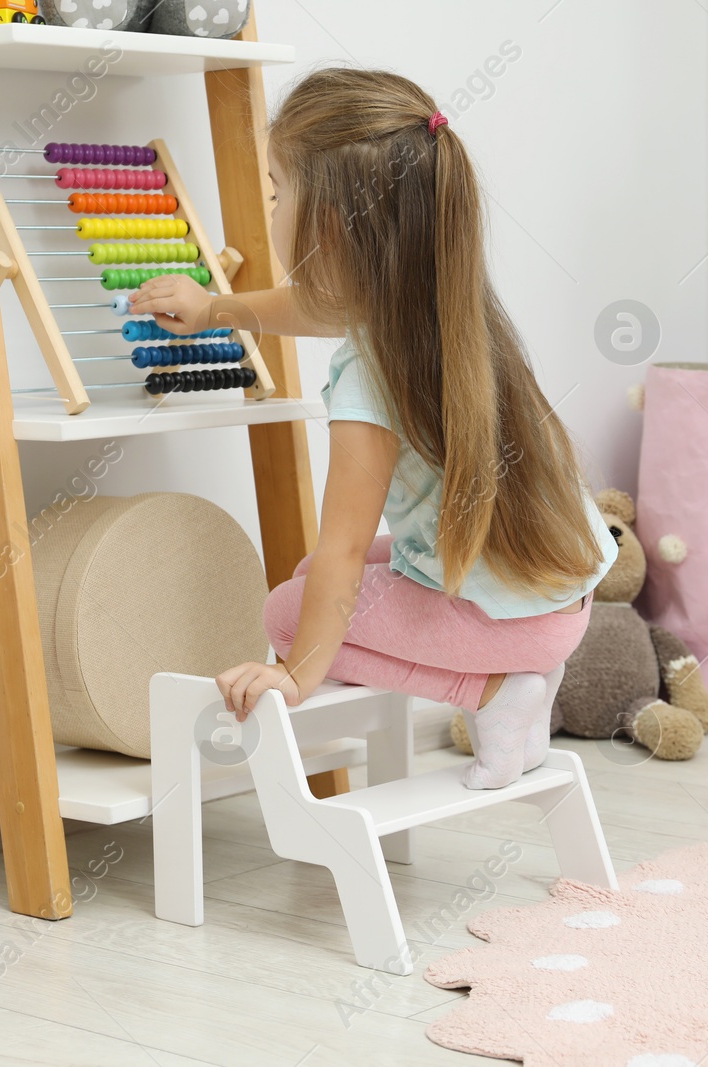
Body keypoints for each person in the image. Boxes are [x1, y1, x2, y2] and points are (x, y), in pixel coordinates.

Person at [129, 68, 617, 788]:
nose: (270, 208)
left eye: (275, 190)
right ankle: (520, 686)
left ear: (329, 221)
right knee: (310, 578)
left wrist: (295, 674)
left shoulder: (370, 374)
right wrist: (216, 310)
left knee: (291, 610)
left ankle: (493, 693)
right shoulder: (445, 308)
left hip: (512, 625)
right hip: (558, 597)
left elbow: (344, 549)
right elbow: (316, 307)